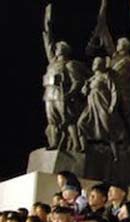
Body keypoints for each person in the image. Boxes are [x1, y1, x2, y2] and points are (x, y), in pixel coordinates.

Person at [42, 4, 90, 150]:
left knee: (68, 121)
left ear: (63, 50)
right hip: (49, 94)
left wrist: (69, 95)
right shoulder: (53, 62)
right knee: (52, 121)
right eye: (55, 48)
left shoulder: (70, 64)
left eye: (57, 48)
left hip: (62, 95)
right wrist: (47, 22)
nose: (55, 49)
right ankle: (54, 143)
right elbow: (48, 41)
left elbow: (77, 82)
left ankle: (75, 144)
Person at [77, 56, 120, 159]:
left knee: (108, 128)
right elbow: (83, 93)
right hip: (91, 107)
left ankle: (116, 154)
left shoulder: (106, 77)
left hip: (102, 106)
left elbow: (114, 92)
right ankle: (84, 148)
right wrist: (85, 86)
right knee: (81, 123)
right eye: (94, 62)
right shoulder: (91, 79)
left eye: (97, 62)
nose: (94, 64)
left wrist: (112, 106)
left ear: (102, 65)